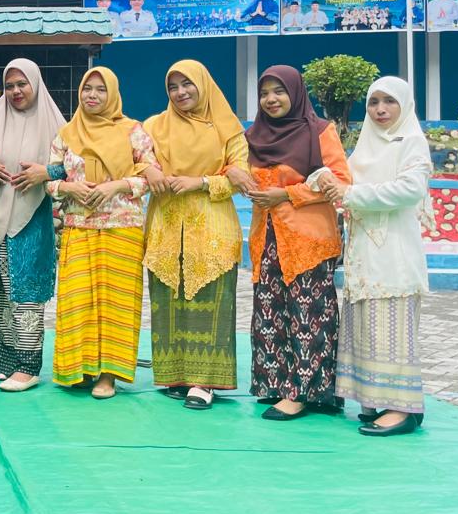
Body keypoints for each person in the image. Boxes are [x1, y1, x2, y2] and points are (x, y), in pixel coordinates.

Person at [322, 77, 431, 436]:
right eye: (373, 102)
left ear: (404, 104)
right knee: (368, 328)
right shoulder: (365, 145)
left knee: (391, 332)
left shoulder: (411, 141)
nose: (381, 109)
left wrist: (351, 194)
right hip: (364, 254)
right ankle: (375, 401)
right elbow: (346, 185)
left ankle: (401, 409)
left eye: (389, 101)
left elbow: (410, 189)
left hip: (394, 255)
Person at [243, 65, 351, 421]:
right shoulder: (255, 136)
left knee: (309, 315)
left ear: (296, 92)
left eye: (279, 91)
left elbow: (340, 180)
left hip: (308, 238)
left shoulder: (319, 132)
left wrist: (287, 193)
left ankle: (304, 392)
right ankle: (275, 383)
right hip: (267, 237)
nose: (271, 99)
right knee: (270, 311)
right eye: (264, 93)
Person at [46, 67, 158, 399]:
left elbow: (151, 176)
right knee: (77, 301)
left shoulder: (132, 131)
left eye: (100, 89)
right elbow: (50, 179)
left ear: (113, 94)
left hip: (122, 229)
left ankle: (108, 375)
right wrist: (70, 188)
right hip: (78, 227)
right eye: (87, 89)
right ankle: (80, 369)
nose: (92, 95)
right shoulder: (66, 134)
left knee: (116, 305)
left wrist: (115, 186)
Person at [142, 61, 248, 410]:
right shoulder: (154, 126)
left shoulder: (227, 128)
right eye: (173, 86)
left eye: (187, 84)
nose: (180, 92)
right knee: (169, 302)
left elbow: (241, 176)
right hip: (166, 226)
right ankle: (176, 375)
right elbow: (136, 159)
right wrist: (149, 170)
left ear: (203, 84)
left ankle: (204, 381)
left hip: (212, 227)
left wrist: (199, 182)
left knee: (210, 302)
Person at [0, 59, 66, 392]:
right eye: (9, 85)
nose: (15, 91)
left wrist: (46, 172)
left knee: (25, 288)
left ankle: (28, 365)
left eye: (22, 84)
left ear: (35, 84)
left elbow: (73, 165)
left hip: (32, 215)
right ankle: (5, 359)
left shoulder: (55, 123)